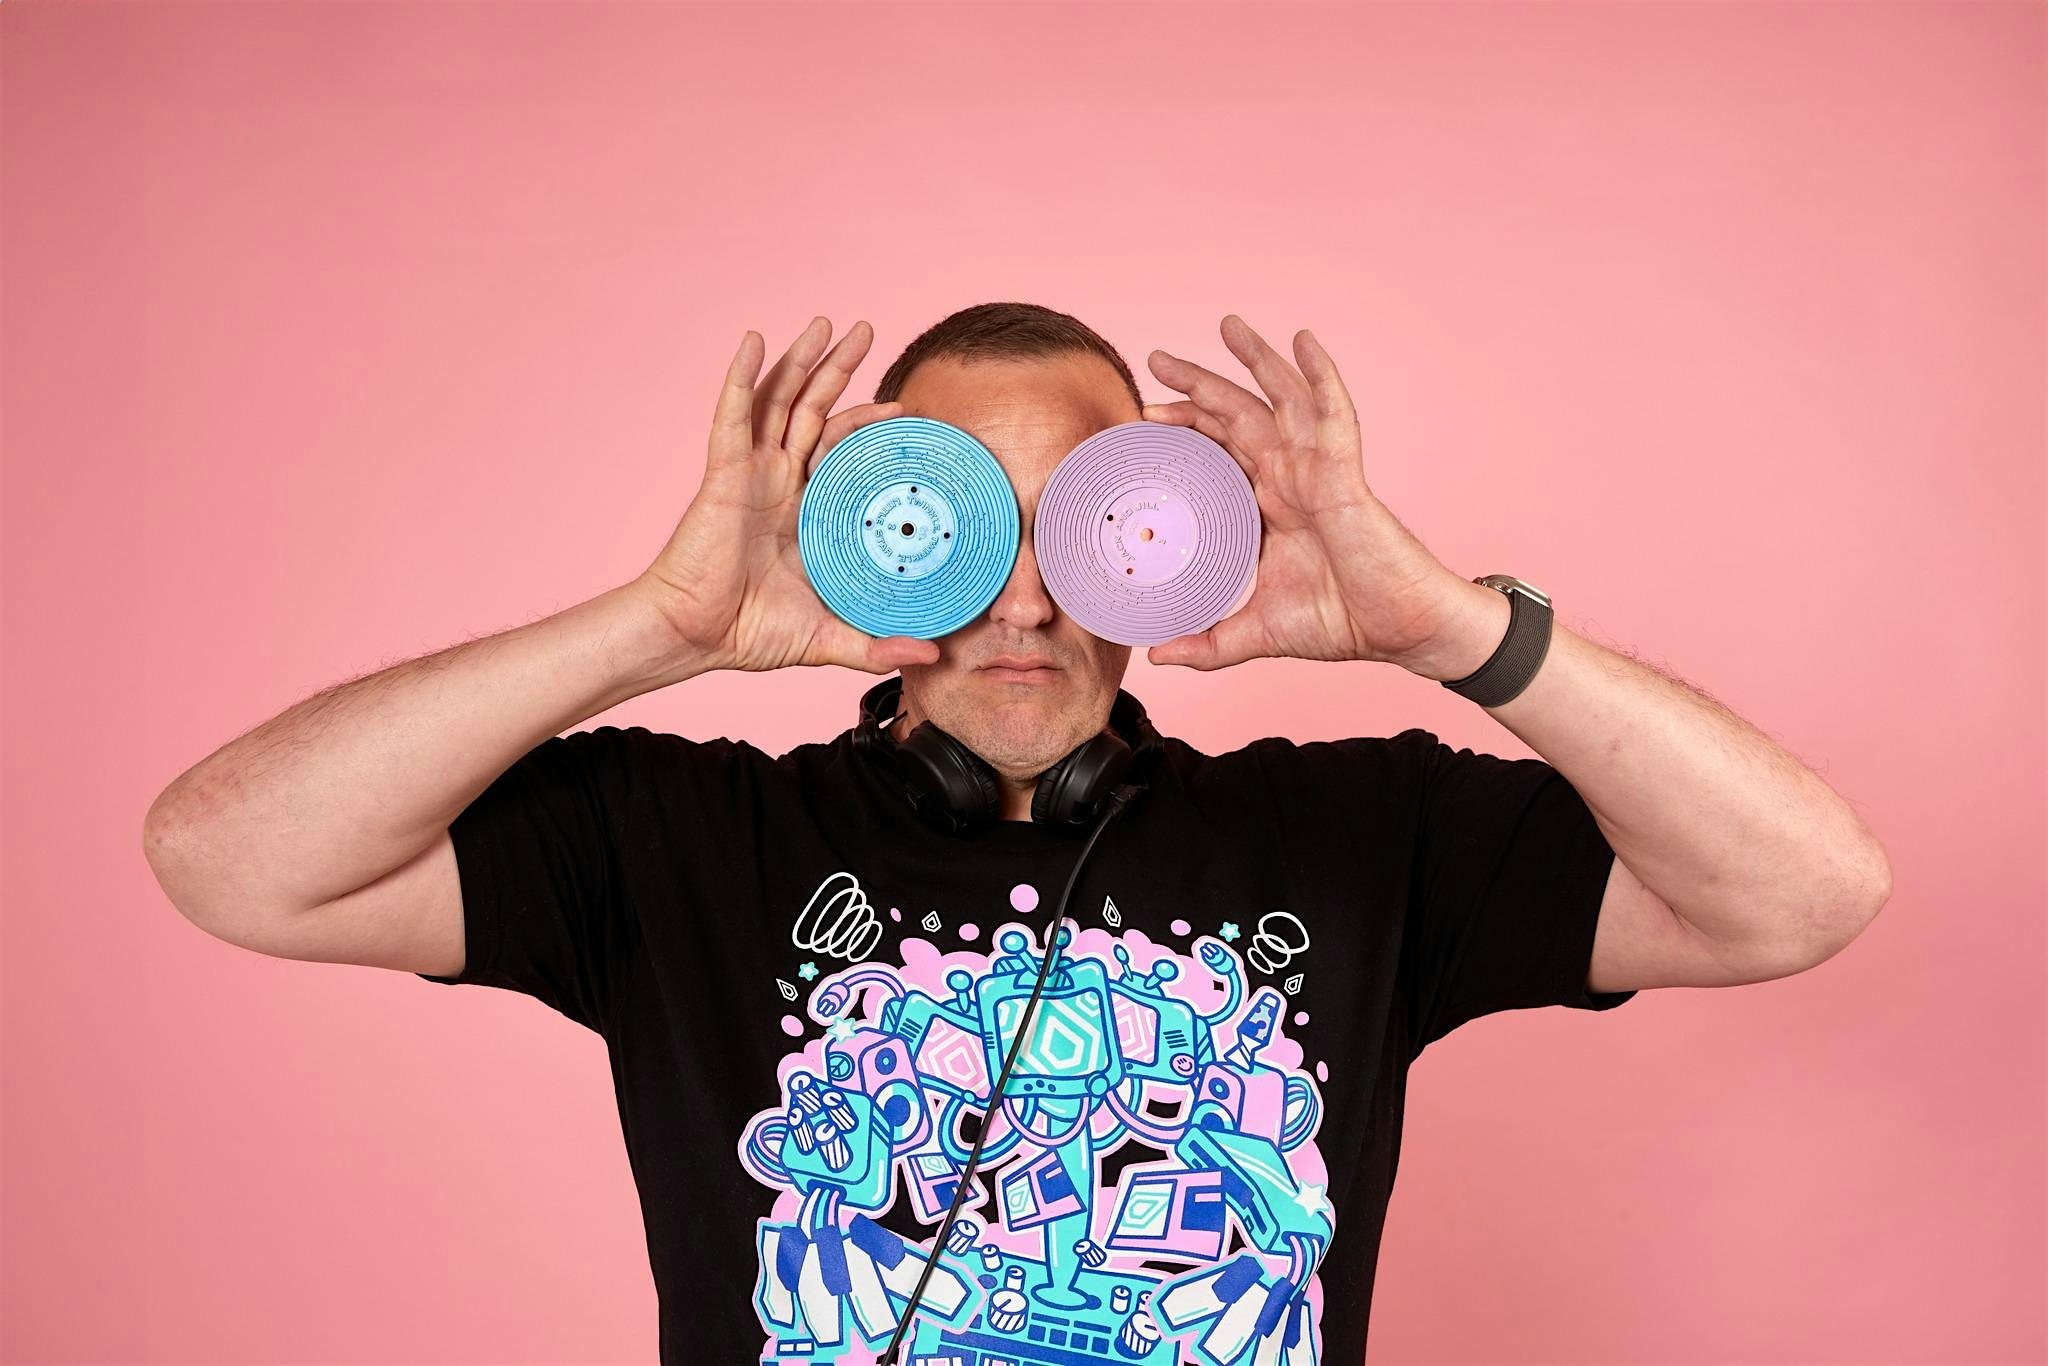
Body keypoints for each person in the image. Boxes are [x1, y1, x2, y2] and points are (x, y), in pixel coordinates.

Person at [141, 302, 1894, 1364]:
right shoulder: (681, 840)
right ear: (865, 533)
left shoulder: (1357, 835)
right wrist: (656, 628)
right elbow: (227, 854)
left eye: (1091, 526)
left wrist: (1449, 626)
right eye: (959, 525)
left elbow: (1806, 892)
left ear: (1171, 544)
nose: (1027, 600)